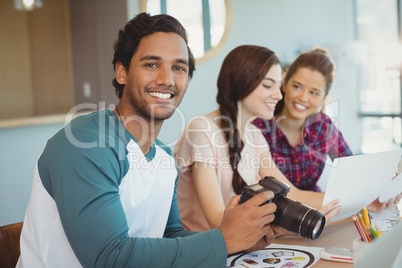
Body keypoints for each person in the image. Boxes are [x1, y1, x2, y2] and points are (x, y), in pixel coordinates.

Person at [17, 13, 280, 268]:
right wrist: (224, 240)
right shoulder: (84, 144)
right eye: (152, 64)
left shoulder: (164, 158)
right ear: (122, 72)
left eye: (178, 68)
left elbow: (170, 236)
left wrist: (239, 241)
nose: (166, 79)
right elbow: (110, 258)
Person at [174, 45, 342, 233]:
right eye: (268, 85)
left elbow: (292, 193)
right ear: (241, 81)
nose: (279, 95)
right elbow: (217, 221)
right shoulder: (201, 129)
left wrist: (356, 201)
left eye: (278, 86)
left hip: (240, 248)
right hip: (205, 250)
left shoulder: (255, 135)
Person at [253, 48, 401, 211]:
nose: (303, 97)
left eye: (314, 93)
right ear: (285, 82)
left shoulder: (323, 127)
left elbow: (352, 171)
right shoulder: (259, 130)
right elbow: (285, 194)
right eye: (297, 86)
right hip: (273, 218)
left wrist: (382, 185)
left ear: (325, 98)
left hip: (318, 213)